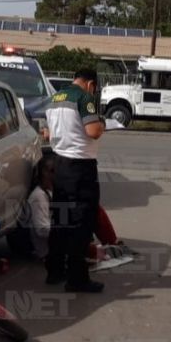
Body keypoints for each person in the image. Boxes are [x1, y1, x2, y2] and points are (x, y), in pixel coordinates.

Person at [44, 68, 106, 293]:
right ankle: (77, 278)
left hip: (59, 165)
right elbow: (93, 131)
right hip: (81, 168)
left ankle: (54, 271)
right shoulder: (84, 97)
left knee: (60, 221)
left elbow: (48, 133)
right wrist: (103, 124)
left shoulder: (54, 98)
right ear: (90, 84)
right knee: (81, 223)